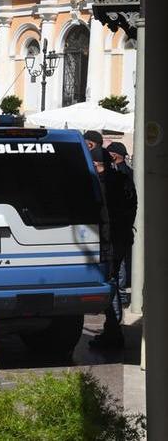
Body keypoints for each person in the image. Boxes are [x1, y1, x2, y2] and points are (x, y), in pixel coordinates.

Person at [89, 147, 136, 349]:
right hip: (123, 238)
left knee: (111, 283)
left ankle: (114, 332)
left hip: (109, 240)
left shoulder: (102, 184)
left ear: (99, 165)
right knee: (114, 280)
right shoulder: (123, 180)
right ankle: (113, 330)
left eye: (93, 164)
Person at [106, 140, 135, 295]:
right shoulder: (128, 173)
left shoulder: (120, 175)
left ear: (115, 155)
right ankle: (121, 293)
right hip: (125, 227)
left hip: (119, 227)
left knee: (119, 262)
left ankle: (121, 293)